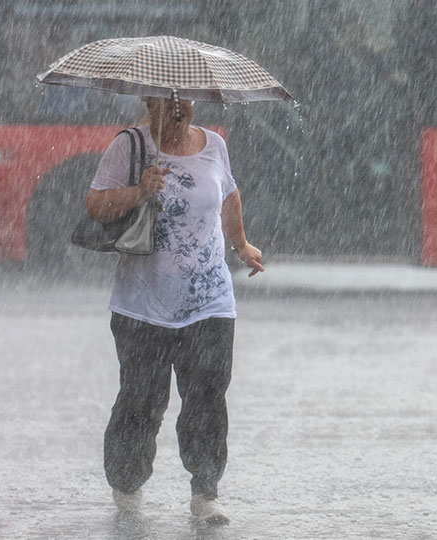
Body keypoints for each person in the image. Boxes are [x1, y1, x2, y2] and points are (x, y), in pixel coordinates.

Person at [85, 96, 264, 525]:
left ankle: (206, 492)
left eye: (184, 98)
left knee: (206, 398)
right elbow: (95, 205)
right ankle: (127, 486)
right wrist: (139, 191)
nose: (178, 107)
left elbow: (229, 196)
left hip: (210, 302)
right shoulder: (130, 146)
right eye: (167, 100)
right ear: (149, 102)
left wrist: (241, 245)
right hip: (143, 306)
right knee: (142, 401)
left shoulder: (214, 145)